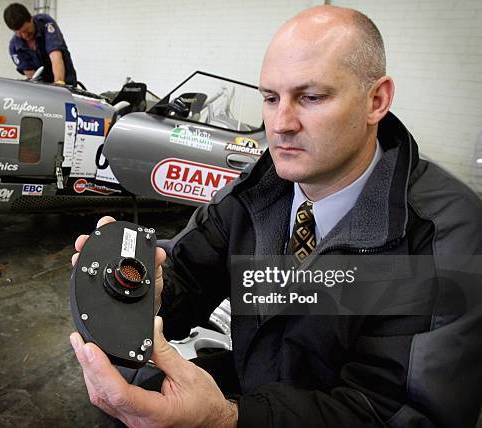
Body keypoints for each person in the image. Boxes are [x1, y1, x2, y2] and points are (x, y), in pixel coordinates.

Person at [70, 5, 482, 427]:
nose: (280, 124)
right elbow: (188, 273)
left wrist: (227, 420)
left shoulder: (444, 238)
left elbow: (400, 414)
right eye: (270, 98)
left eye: (311, 97)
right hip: (260, 389)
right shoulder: (262, 187)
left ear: (376, 100)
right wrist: (149, 290)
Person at [3, 3, 76, 85]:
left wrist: (59, 85)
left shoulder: (45, 23)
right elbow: (32, 78)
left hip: (65, 82)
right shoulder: (15, 48)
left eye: (26, 30)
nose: (25, 35)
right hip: (43, 88)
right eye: (20, 33)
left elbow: (56, 57)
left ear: (31, 19)